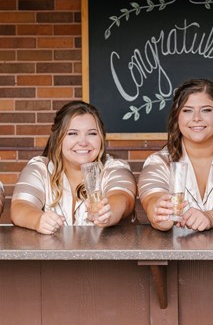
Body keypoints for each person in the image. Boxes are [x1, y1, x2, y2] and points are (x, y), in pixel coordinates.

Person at [11, 100, 136, 233]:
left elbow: (122, 198)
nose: (83, 142)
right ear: (58, 138)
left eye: (92, 133)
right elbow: (20, 206)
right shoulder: (40, 169)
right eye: (72, 133)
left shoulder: (114, 168)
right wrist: (38, 220)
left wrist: (107, 213)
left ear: (101, 138)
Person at [138, 78, 213, 231]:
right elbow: (152, 198)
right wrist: (159, 213)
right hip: (178, 253)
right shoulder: (159, 162)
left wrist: (212, 218)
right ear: (177, 116)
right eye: (187, 110)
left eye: (206, 110)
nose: (196, 118)